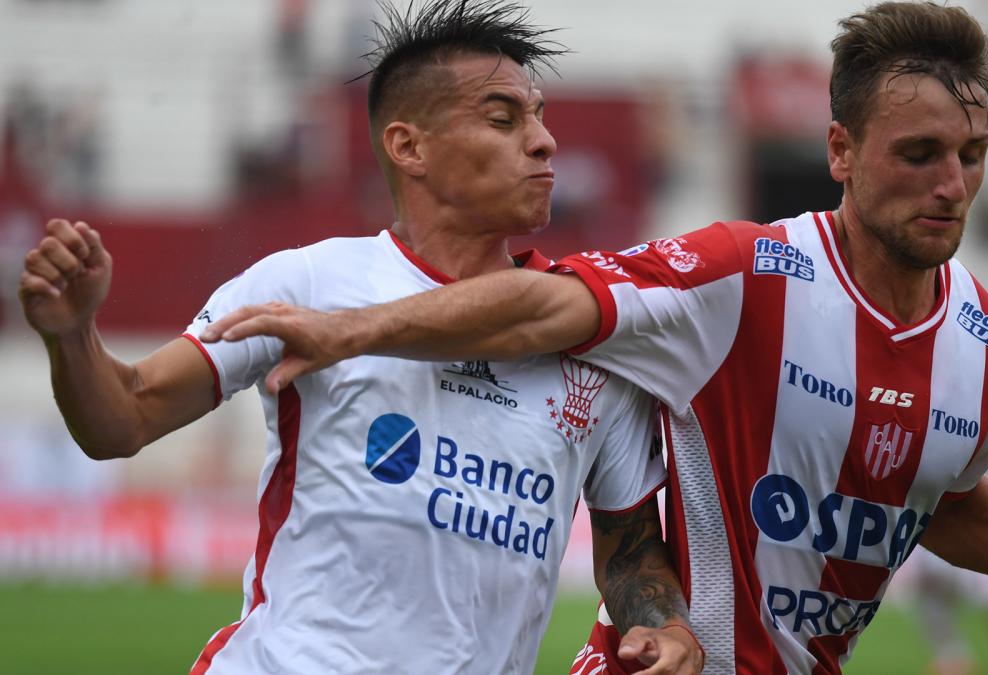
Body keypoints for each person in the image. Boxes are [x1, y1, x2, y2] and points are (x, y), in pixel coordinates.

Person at [200, 2, 988, 673]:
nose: (952, 183)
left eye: (972, 155)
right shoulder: (743, 276)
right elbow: (546, 304)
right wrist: (352, 329)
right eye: (921, 153)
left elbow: (932, 504)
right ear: (841, 153)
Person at [17, 1, 704, 673]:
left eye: (540, 117)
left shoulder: (589, 336)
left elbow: (631, 551)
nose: (543, 140)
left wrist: (662, 624)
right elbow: (125, 417)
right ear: (409, 147)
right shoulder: (310, 281)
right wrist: (72, 335)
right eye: (504, 118)